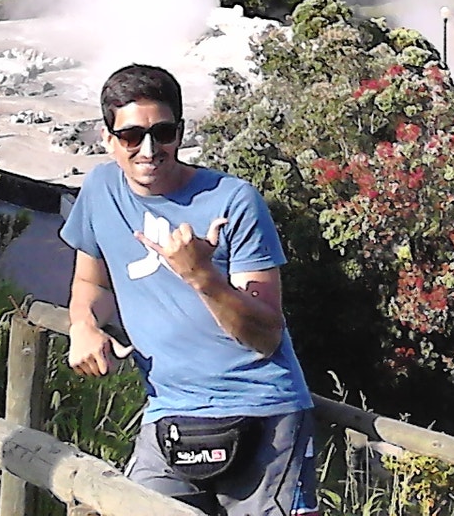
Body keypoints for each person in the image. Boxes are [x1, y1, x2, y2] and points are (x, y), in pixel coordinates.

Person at [62, 63, 317, 515]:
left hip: (262, 414)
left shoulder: (234, 201)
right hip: (168, 414)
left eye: (162, 133)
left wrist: (202, 275)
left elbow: (265, 335)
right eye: (131, 136)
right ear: (107, 139)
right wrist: (83, 324)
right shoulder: (100, 189)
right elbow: (90, 280)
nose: (148, 150)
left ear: (180, 132)